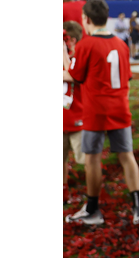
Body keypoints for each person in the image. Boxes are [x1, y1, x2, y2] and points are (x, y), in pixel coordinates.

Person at [64, 0, 139, 225]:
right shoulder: (121, 44)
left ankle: (93, 209)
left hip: (95, 111)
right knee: (127, 156)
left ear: (86, 19)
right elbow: (126, 77)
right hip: (120, 108)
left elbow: (73, 75)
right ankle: (138, 207)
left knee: (92, 159)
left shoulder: (85, 44)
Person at [63, 21, 85, 204]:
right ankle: (63, 192)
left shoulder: (80, 56)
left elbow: (74, 75)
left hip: (78, 115)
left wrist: (64, 53)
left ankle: (91, 195)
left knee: (85, 159)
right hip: (62, 118)